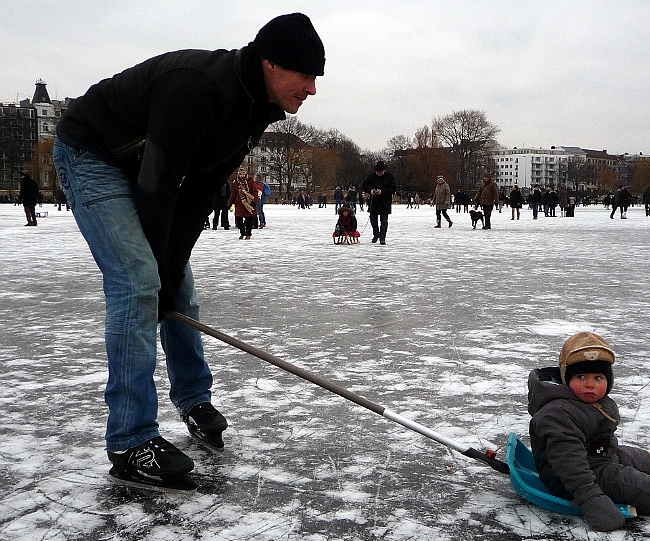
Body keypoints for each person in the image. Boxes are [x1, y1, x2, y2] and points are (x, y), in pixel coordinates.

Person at [52, 13, 325, 491]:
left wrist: (171, 268)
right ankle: (131, 441)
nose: (312, 89)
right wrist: (157, 275)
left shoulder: (252, 109)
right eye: (305, 75)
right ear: (270, 64)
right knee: (139, 283)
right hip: (93, 152)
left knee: (176, 282)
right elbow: (159, 187)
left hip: (143, 164)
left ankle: (194, 399)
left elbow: (201, 189)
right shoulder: (197, 89)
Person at [527, 331, 650, 531]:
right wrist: (589, 496)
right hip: (569, 478)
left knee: (624, 454)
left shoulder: (582, 401)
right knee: (623, 479)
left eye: (598, 377)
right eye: (581, 376)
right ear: (566, 379)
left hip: (595, 457)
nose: (590, 384)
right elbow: (569, 464)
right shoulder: (558, 414)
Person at [362, 160, 396, 244]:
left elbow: (393, 188)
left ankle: (382, 237)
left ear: (384, 170)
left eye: (380, 171)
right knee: (373, 220)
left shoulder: (390, 177)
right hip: (374, 202)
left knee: (384, 221)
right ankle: (376, 235)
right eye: (377, 171)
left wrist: (382, 191)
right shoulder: (372, 176)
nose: (379, 173)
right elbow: (364, 185)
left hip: (385, 202)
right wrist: (371, 190)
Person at [228, 169, 260, 239]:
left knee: (248, 219)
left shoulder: (250, 182)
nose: (242, 176)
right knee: (238, 219)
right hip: (239, 204)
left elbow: (255, 192)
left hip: (249, 204)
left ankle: (248, 234)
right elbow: (233, 194)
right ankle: (242, 233)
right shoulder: (236, 183)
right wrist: (229, 203)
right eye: (240, 174)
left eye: (243, 174)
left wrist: (254, 201)